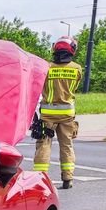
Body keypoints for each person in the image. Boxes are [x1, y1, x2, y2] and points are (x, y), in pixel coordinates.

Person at [33, 37, 82, 190]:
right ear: (71, 49)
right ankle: (68, 178)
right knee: (67, 145)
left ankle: (40, 178)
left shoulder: (46, 67)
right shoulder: (77, 68)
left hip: (47, 113)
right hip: (67, 113)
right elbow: (74, 88)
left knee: (44, 145)